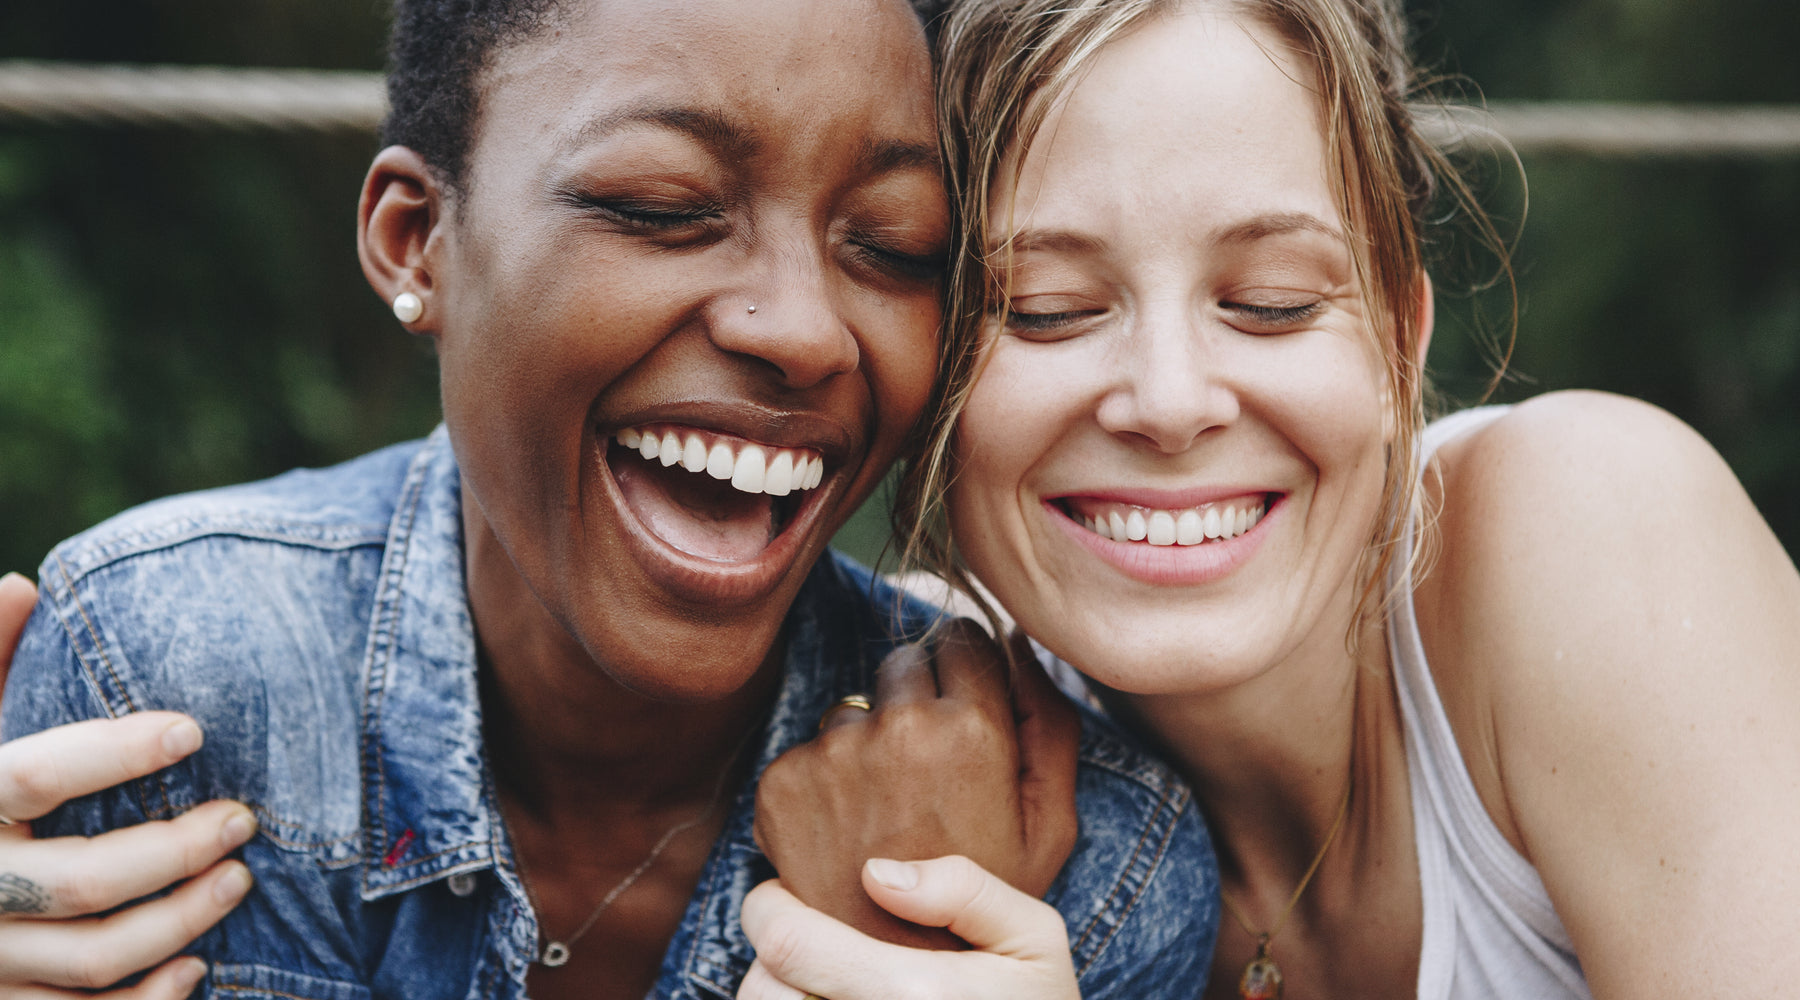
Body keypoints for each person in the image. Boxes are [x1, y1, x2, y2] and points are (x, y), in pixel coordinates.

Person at [0, 0, 1218, 997]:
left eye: (895, 244)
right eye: (661, 209)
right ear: (416, 239)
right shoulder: (160, 685)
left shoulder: (1084, 872)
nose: (801, 328)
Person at [733, 0, 1800, 998]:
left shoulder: (1596, 527)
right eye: (1049, 311)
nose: (1168, 399)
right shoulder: (937, 739)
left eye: (1269, 304)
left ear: (1398, 343)